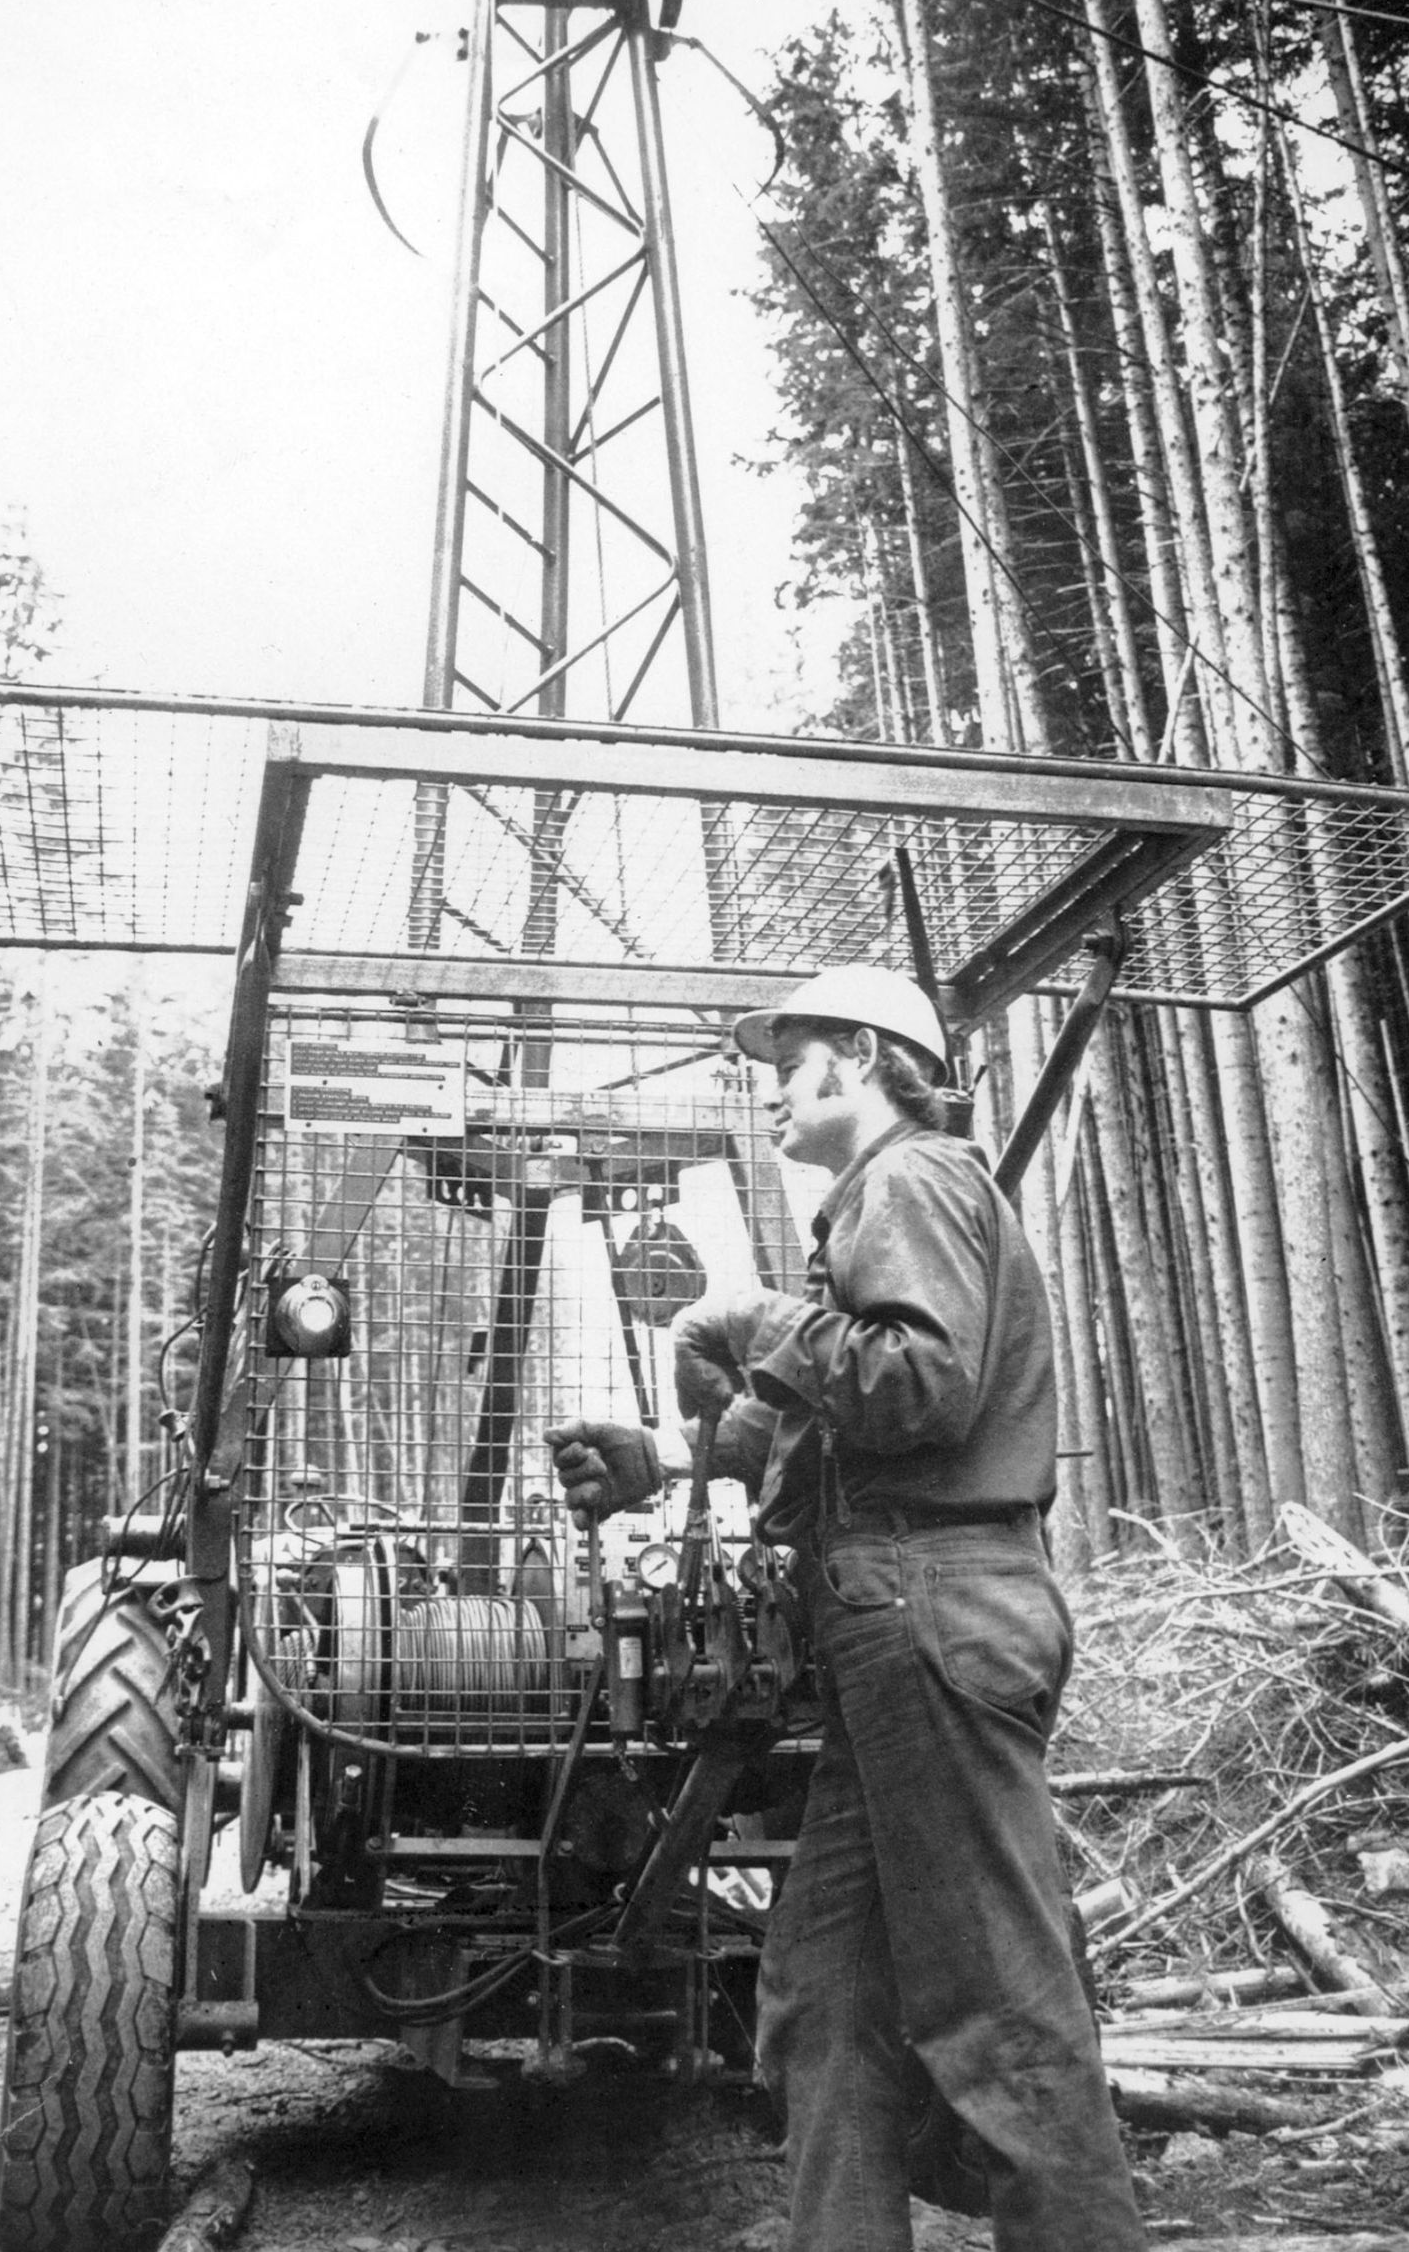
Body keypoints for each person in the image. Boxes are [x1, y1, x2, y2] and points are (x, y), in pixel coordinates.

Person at [546, 965, 1145, 2252]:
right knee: (824, 1995)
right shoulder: (878, 1202)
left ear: (862, 1056)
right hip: (898, 1618)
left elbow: (918, 1386)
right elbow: (838, 1421)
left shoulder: (910, 1179)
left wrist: (761, 1315)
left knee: (999, 2007)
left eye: (791, 1058)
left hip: (929, 1605)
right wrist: (673, 1455)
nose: (771, 1086)